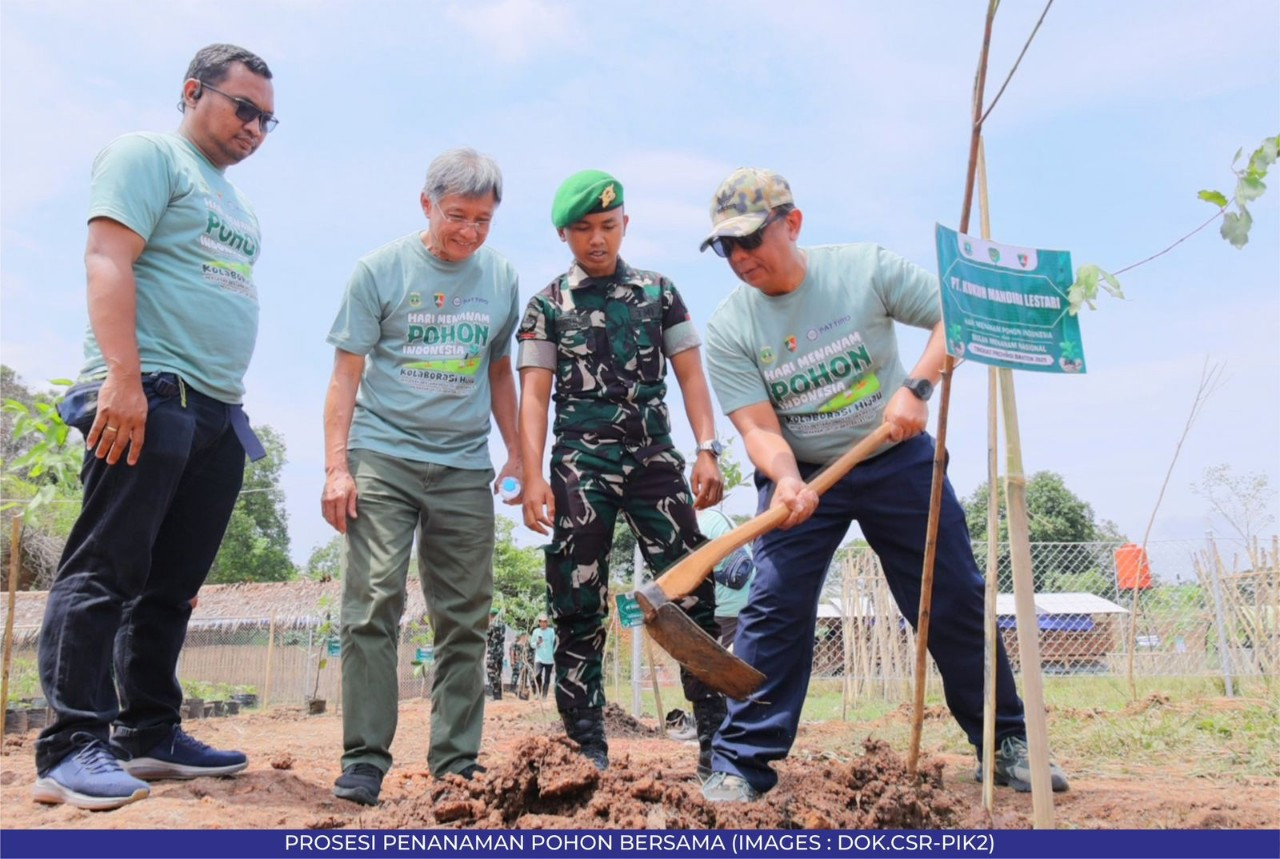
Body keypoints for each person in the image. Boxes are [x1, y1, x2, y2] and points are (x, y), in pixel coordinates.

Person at [696, 167, 1070, 802]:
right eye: (725, 247)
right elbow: (758, 428)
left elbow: (959, 319)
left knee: (949, 594)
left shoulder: (863, 269)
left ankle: (1007, 741)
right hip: (805, 473)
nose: (738, 257)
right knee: (774, 607)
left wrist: (917, 387)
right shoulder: (730, 327)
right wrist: (786, 480)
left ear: (793, 224)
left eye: (750, 240)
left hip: (897, 455)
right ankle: (741, 762)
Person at [32, 43, 276, 812]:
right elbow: (108, 257)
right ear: (192, 91)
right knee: (106, 567)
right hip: (151, 389)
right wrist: (124, 379)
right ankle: (71, 744)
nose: (256, 128)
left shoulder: (236, 203)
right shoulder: (149, 156)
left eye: (269, 120)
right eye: (244, 108)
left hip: (215, 409)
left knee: (172, 586)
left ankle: (150, 732)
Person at [321, 148, 521, 806]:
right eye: (457, 215)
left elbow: (499, 374)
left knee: (465, 616)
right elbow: (345, 376)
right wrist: (335, 467)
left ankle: (456, 763)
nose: (469, 231)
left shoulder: (500, 279)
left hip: (464, 464)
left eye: (483, 220)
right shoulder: (379, 271)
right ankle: (364, 759)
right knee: (373, 601)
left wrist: (519, 454)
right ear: (426, 204)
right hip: (383, 456)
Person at [517, 169, 726, 778]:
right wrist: (534, 478)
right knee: (576, 598)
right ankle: (587, 745)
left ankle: (716, 739)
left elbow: (690, 373)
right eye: (583, 229)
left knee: (691, 591)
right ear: (564, 234)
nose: (597, 240)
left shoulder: (661, 293)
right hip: (581, 463)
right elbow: (534, 398)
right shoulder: (546, 305)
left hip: (654, 460)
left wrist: (707, 448)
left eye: (608, 226)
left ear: (625, 224)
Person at [695, 508, 756, 648]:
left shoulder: (697, 529)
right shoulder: (716, 517)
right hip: (750, 601)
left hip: (727, 609)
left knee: (714, 664)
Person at [529, 614, 556, 700]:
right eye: (541, 621)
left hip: (549, 659)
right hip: (539, 658)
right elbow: (531, 644)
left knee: (547, 677)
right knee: (537, 675)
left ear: (547, 622)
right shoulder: (536, 631)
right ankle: (537, 692)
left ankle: (544, 695)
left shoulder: (551, 631)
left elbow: (555, 643)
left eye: (545, 622)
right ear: (539, 622)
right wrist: (537, 643)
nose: (543, 623)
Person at [485, 608, 507, 701]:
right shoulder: (503, 625)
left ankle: (494, 694)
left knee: (491, 672)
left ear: (491, 615)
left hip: (492, 652)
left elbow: (486, 637)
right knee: (498, 673)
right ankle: (499, 695)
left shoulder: (491, 625)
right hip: (500, 652)